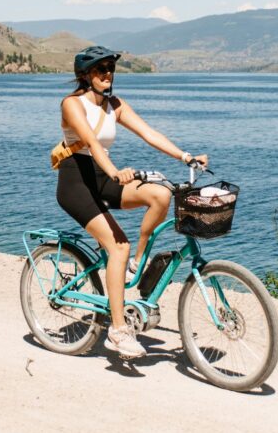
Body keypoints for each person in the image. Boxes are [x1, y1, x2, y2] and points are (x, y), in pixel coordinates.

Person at [55, 45, 207, 358]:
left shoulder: (115, 105)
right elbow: (93, 143)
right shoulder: (72, 104)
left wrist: (185, 156)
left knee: (160, 194)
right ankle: (118, 330)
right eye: (100, 69)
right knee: (117, 246)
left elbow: (148, 133)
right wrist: (114, 172)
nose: (107, 74)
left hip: (103, 178)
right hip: (76, 182)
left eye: (110, 68)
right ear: (85, 75)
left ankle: (135, 264)